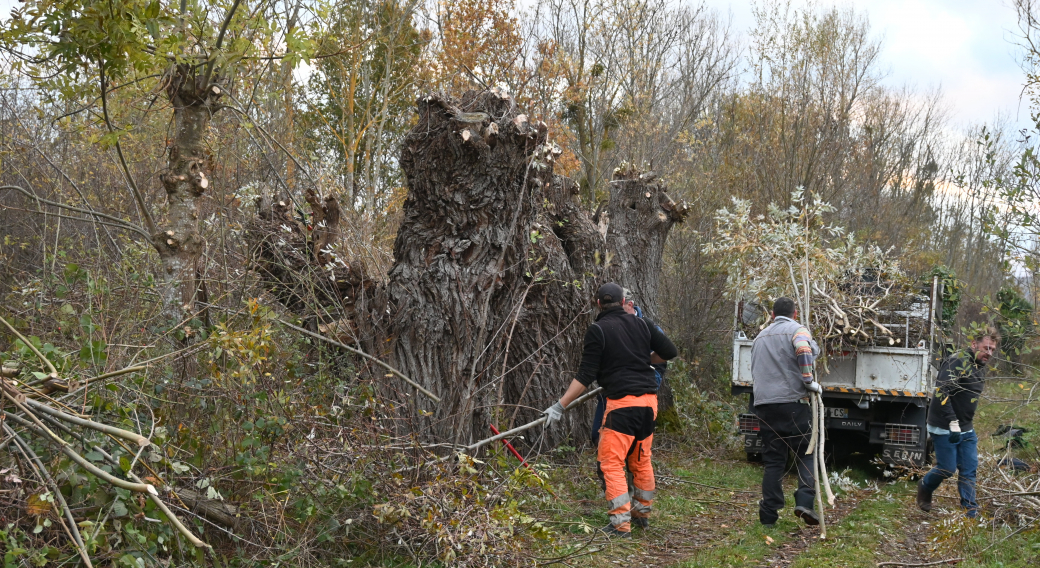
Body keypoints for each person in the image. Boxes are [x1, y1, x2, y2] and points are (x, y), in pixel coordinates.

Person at [543, 282, 678, 537]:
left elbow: (585, 376)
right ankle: (641, 515)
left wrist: (560, 406)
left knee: (612, 464)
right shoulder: (642, 323)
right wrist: (645, 360)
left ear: (598, 304)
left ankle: (620, 525)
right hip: (649, 402)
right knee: (640, 459)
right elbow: (670, 352)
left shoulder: (598, 330)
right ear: (623, 301)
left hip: (621, 405)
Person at [750, 297, 822, 528]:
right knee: (806, 453)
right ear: (795, 313)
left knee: (774, 461)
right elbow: (803, 349)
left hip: (764, 405)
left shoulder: (760, 337)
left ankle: (769, 514)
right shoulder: (797, 329)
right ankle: (804, 502)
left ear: (772, 314)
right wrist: (808, 380)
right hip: (792, 403)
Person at [917, 327, 1000, 518]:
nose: (989, 353)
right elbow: (941, 391)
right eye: (986, 348)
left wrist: (962, 423)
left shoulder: (979, 366)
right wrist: (952, 421)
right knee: (946, 468)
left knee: (969, 469)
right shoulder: (957, 361)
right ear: (974, 344)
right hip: (944, 425)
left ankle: (970, 512)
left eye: (992, 350)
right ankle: (925, 486)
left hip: (966, 428)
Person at [590, 292, 668, 444]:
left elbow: (665, 356)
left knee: (632, 445)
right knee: (597, 434)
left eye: (620, 307)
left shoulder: (648, 327)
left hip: (639, 393)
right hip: (612, 389)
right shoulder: (609, 327)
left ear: (629, 305)